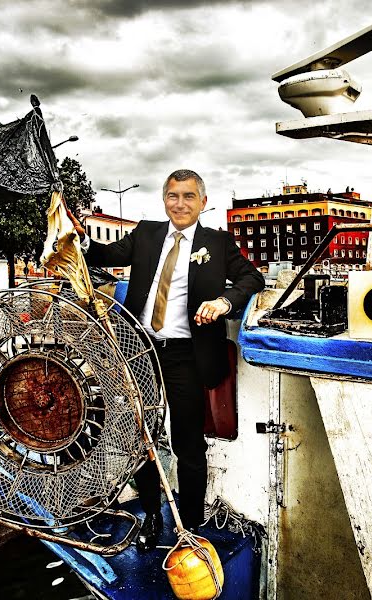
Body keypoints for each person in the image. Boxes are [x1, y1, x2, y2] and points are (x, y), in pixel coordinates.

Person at [71, 169, 264, 551]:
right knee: (139, 436)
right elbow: (105, 254)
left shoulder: (218, 243)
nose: (180, 203)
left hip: (186, 355)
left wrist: (224, 302)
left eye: (189, 196)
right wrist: (78, 236)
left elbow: (252, 279)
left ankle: (189, 526)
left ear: (203, 202)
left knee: (188, 443)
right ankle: (152, 514)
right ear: (164, 200)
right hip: (137, 350)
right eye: (173, 196)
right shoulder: (146, 233)